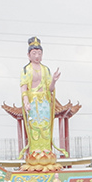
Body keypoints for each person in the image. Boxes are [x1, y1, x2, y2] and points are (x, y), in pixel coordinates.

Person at [20, 36, 63, 171]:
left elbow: (50, 89)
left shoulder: (46, 70)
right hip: (33, 102)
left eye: (39, 53)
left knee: (45, 127)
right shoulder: (26, 70)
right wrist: (26, 102)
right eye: (34, 53)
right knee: (35, 127)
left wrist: (54, 80)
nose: (37, 56)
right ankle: (35, 152)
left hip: (44, 102)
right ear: (28, 55)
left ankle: (46, 151)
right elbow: (24, 88)